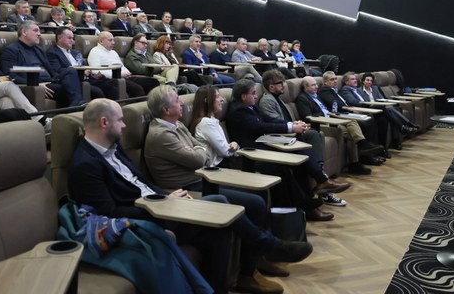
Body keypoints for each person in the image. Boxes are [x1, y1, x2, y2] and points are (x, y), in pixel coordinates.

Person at [68, 98, 313, 294]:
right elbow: (109, 213)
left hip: (161, 204)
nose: (124, 126)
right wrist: (164, 203)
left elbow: (143, 184)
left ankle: (243, 269)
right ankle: (269, 246)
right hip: (144, 221)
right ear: (104, 122)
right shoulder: (85, 165)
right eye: (120, 120)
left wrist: (166, 196)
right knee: (220, 204)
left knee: (221, 223)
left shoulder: (113, 147)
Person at [143, 85, 295, 292]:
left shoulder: (176, 125)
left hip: (202, 178)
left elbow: (200, 150)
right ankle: (256, 262)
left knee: (258, 196)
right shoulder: (161, 134)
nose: (182, 103)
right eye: (177, 100)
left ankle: (256, 263)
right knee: (254, 203)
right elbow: (200, 158)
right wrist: (198, 150)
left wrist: (197, 149)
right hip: (188, 188)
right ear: (166, 109)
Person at [226, 79, 335, 221]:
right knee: (281, 165)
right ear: (243, 96)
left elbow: (268, 120)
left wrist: (291, 124)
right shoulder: (239, 110)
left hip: (264, 145)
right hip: (250, 155)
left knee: (299, 158)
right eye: (253, 93)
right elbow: (261, 127)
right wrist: (290, 128)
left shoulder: (250, 106)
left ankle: (311, 198)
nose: (256, 96)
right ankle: (304, 201)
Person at [257, 69, 350, 206]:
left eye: (284, 82)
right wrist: (294, 126)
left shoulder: (278, 98)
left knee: (313, 134)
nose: (284, 85)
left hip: (289, 132)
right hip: (280, 137)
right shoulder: (267, 100)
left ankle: (321, 179)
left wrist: (297, 123)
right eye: (280, 83)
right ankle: (321, 181)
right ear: (271, 87)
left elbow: (284, 120)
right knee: (305, 148)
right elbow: (274, 122)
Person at [295, 76, 376, 175]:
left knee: (351, 122)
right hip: (320, 124)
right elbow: (307, 116)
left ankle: (359, 150)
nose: (316, 87)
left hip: (331, 119)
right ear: (305, 87)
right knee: (351, 132)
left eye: (316, 84)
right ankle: (359, 153)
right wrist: (324, 114)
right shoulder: (302, 98)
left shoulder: (315, 96)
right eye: (313, 85)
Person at [0, 20, 85, 107]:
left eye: (39, 31)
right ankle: (77, 104)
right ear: (24, 32)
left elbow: (51, 71)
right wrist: (35, 84)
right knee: (69, 89)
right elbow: (9, 75)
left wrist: (59, 79)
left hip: (49, 81)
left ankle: (77, 103)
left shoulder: (39, 49)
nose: (39, 34)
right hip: (32, 84)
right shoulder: (11, 50)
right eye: (35, 31)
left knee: (70, 72)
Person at [339, 71, 418, 150]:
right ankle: (403, 127)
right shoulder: (346, 90)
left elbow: (381, 98)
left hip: (370, 109)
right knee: (385, 108)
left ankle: (383, 148)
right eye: (352, 79)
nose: (355, 80)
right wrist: (368, 104)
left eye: (355, 79)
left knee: (384, 118)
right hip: (364, 109)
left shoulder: (355, 89)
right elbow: (354, 102)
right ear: (346, 82)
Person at [318, 71, 385, 164]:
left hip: (344, 113)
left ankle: (370, 152)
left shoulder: (334, 90)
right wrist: (350, 110)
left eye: (336, 79)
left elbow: (341, 103)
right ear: (325, 81)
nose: (335, 81)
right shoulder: (325, 90)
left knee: (371, 120)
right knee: (363, 124)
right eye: (332, 79)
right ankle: (366, 153)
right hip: (336, 116)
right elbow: (336, 104)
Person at [45, 27, 112, 100]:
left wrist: (90, 73)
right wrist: (79, 72)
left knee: (110, 85)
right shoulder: (52, 53)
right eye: (69, 38)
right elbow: (58, 70)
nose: (72, 41)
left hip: (86, 79)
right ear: (59, 38)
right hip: (72, 82)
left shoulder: (76, 52)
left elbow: (84, 66)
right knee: (97, 92)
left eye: (73, 38)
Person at [87, 31, 151, 97]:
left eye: (113, 40)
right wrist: (119, 74)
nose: (113, 43)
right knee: (137, 89)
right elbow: (95, 71)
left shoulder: (113, 52)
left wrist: (127, 73)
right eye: (110, 40)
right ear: (101, 41)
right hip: (111, 79)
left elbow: (121, 66)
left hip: (125, 76)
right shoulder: (95, 51)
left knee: (151, 82)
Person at [192, 85, 239, 168]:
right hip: (217, 168)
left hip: (224, 163)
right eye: (217, 96)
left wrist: (234, 145)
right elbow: (225, 152)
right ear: (207, 101)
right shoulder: (206, 123)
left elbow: (226, 148)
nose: (222, 100)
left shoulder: (212, 121)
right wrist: (235, 146)